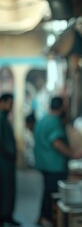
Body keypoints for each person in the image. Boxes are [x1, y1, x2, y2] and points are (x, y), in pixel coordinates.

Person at [34, 96, 82, 226]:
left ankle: (42, 216)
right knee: (53, 193)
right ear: (61, 107)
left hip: (44, 164)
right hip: (54, 166)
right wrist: (73, 154)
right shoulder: (55, 122)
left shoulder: (43, 120)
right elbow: (56, 142)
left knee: (47, 191)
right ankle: (47, 218)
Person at [0, 93, 21, 227]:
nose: (10, 106)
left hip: (8, 161)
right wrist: (10, 152)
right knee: (4, 190)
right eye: (8, 103)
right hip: (3, 161)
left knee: (9, 190)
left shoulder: (5, 118)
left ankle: (7, 215)